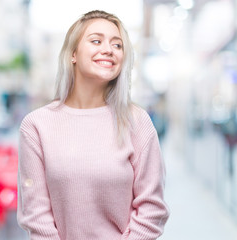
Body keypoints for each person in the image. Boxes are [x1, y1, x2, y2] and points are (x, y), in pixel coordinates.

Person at [17, 10, 169, 240]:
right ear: (73, 54)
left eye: (117, 45)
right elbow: (36, 215)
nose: (108, 49)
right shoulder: (36, 125)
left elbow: (151, 209)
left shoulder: (137, 121)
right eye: (96, 41)